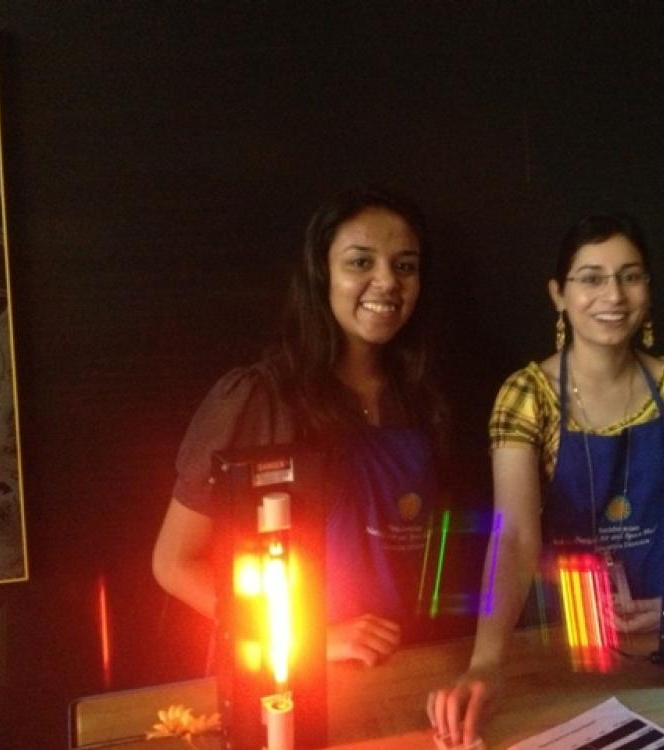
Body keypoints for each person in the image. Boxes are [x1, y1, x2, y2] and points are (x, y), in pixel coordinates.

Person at [429, 214, 664, 745]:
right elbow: (513, 537)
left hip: (662, 636)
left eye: (630, 276)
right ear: (558, 294)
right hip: (562, 638)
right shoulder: (526, 395)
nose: (614, 294)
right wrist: (487, 662)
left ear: (648, 288)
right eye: (591, 277)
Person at [152, 185, 448, 667]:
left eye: (405, 266)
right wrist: (313, 639)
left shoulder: (420, 399)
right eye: (360, 262)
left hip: (396, 668)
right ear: (320, 274)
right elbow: (174, 563)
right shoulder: (258, 397)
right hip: (280, 676)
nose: (387, 281)